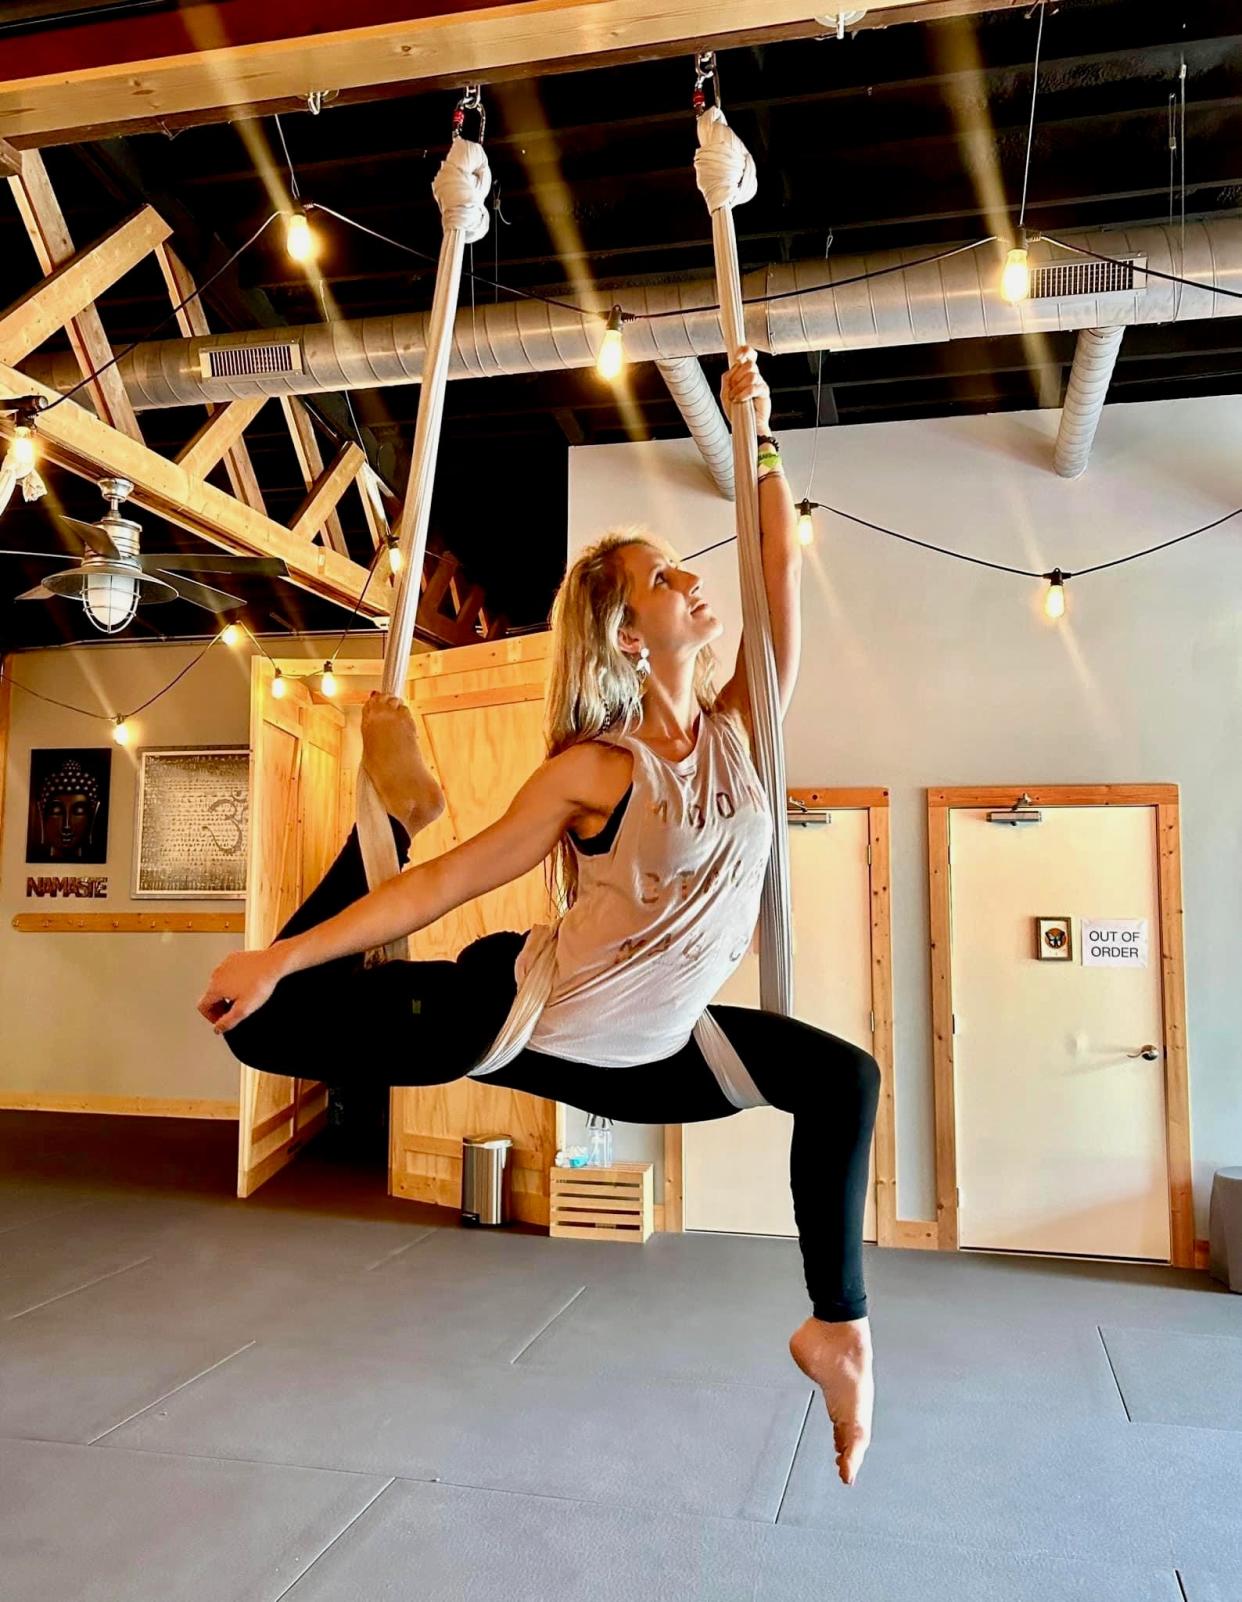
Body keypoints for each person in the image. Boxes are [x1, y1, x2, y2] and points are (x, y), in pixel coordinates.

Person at [198, 347, 880, 1486]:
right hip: (523, 1015)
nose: (693, 582)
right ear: (627, 637)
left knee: (842, 1081)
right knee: (263, 1027)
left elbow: (775, 577)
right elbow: (454, 885)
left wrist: (759, 434)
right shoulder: (592, 771)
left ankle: (838, 1333)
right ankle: (393, 805)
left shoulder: (739, 730)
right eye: (666, 577)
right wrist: (279, 951)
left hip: (654, 1049)